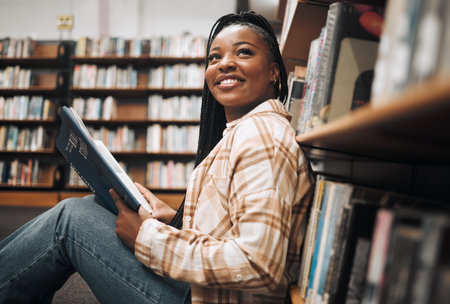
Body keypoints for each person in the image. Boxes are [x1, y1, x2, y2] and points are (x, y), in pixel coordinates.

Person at [0, 11, 314, 303]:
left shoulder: (262, 138)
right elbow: (234, 230)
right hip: (203, 291)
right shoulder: (247, 130)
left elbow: (257, 264)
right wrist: (174, 221)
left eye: (243, 52)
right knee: (83, 208)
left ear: (274, 70)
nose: (225, 63)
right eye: (215, 56)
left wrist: (148, 237)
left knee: (70, 221)